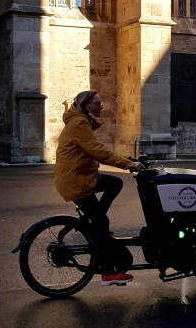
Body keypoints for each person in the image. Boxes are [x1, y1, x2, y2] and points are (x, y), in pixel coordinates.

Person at [54, 90, 145, 286]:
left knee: (115, 183)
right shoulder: (79, 123)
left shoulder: (80, 121)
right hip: (76, 180)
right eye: (97, 103)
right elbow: (99, 152)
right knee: (102, 222)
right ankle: (107, 272)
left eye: (101, 103)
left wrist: (126, 161)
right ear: (86, 105)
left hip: (78, 176)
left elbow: (88, 152)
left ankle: (94, 225)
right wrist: (129, 165)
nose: (101, 107)